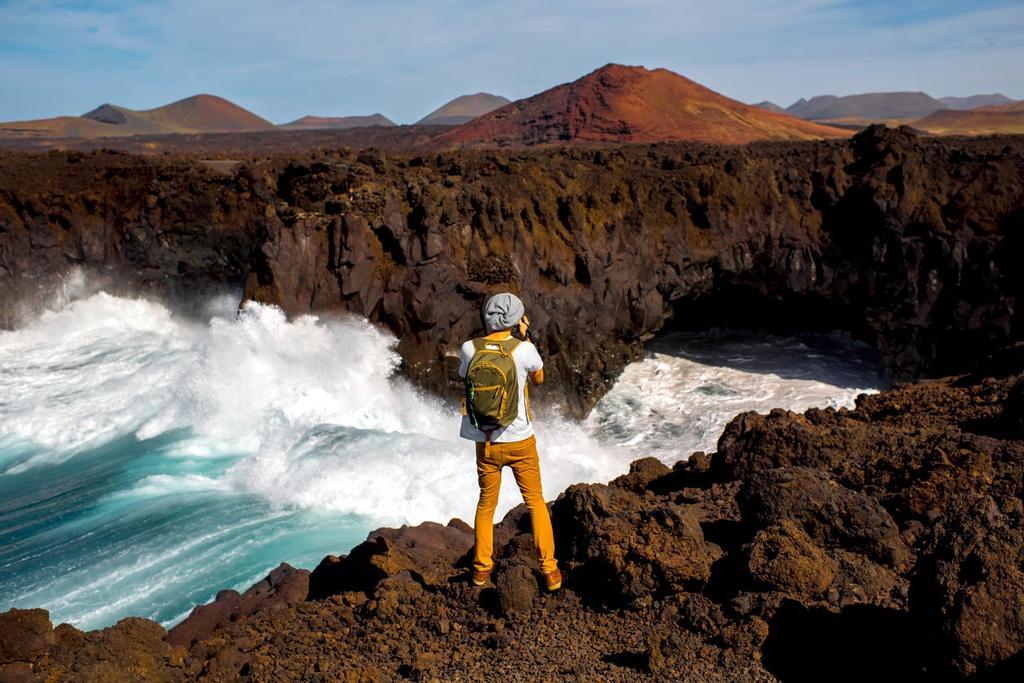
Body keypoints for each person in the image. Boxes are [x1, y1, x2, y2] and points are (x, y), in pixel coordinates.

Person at [458, 292, 561, 591]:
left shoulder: (469, 348)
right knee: (535, 503)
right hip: (520, 442)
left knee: (486, 506)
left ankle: (480, 570)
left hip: (486, 442)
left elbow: (464, 377)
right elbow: (539, 379)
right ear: (517, 319)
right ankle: (550, 571)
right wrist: (524, 337)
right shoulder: (525, 349)